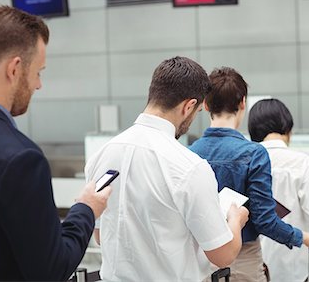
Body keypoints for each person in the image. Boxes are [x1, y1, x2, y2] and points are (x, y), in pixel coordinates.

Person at [0, 6, 112, 281]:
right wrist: (86, 209)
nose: (39, 85)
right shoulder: (18, 157)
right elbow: (51, 269)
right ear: (14, 69)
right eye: (38, 72)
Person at [84, 56, 249, 281]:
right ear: (189, 106)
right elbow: (223, 255)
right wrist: (235, 220)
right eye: (197, 111)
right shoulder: (189, 167)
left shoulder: (100, 156)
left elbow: (102, 235)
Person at [189, 67, 309, 282]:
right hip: (244, 259)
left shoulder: (189, 153)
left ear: (206, 104)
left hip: (200, 259)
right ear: (242, 103)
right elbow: (265, 220)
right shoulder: (254, 154)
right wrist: (304, 238)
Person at [248, 98, 309, 282]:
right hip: (300, 266)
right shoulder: (301, 162)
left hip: (259, 267)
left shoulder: (246, 162)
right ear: (287, 128)